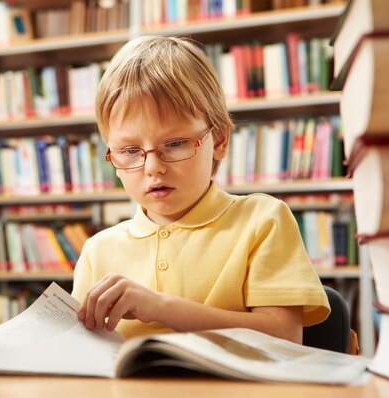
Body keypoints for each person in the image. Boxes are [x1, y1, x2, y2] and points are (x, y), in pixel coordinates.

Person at [72, 36, 329, 343]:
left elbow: (284, 336)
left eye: (175, 143)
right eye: (129, 151)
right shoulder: (97, 251)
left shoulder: (262, 221)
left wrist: (159, 307)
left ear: (219, 140)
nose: (153, 167)